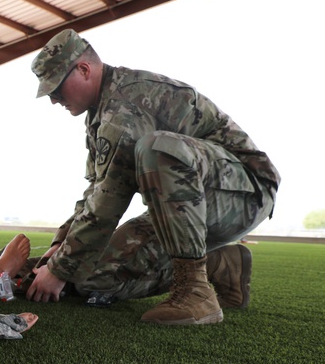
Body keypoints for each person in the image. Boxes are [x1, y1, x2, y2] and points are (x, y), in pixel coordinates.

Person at [25, 29, 280, 325]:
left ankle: (195, 290)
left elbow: (107, 205)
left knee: (156, 148)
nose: (54, 99)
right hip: (191, 210)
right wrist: (60, 249)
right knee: (89, 277)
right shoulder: (99, 114)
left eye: (56, 88)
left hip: (244, 193)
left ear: (84, 69)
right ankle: (219, 265)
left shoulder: (124, 108)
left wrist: (58, 269)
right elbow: (96, 191)